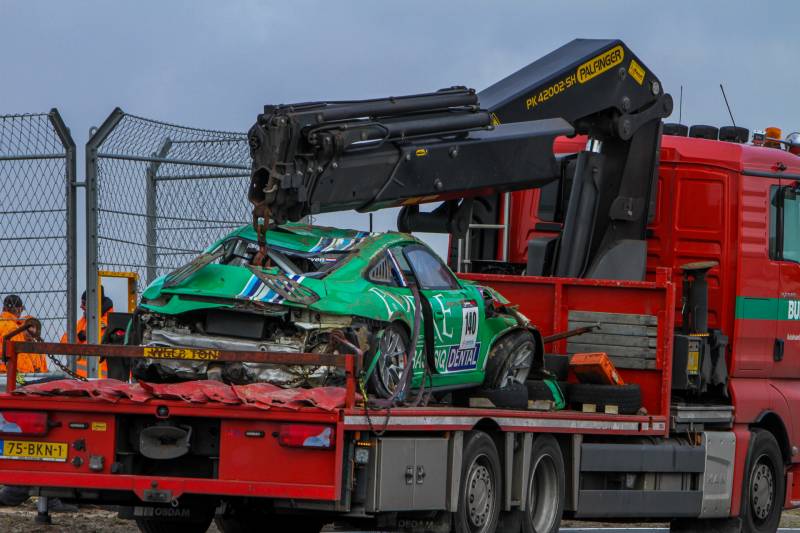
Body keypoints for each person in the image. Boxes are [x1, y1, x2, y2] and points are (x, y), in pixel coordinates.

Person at [61, 288, 114, 378]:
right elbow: (63, 343)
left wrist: (78, 339)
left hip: (97, 379)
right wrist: (79, 337)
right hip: (76, 376)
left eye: (84, 303)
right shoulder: (85, 320)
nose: (81, 306)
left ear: (94, 304)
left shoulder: (109, 324)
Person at [0, 295, 47, 373]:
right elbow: (19, 358)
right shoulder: (12, 328)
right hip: (10, 373)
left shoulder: (5, 324)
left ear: (4, 309)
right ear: (19, 310)